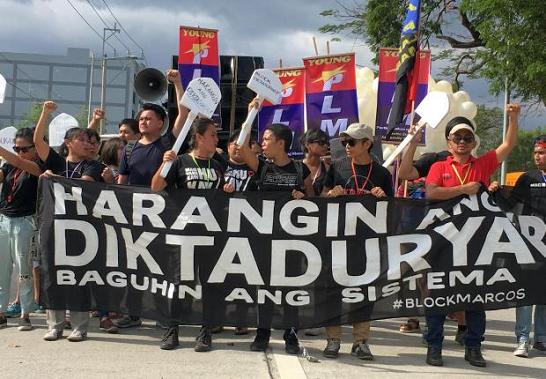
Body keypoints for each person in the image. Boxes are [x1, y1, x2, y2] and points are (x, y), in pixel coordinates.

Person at [424, 103, 520, 367]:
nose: (463, 142)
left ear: (474, 141)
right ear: (449, 142)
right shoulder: (438, 166)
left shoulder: (483, 163)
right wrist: (464, 189)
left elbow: (508, 145)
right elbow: (431, 193)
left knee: (476, 296)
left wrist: (513, 118)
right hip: (443, 240)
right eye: (458, 138)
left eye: (468, 137)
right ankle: (434, 346)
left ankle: (474, 347)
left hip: (476, 241)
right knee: (438, 294)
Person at [115, 69, 187, 330]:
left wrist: (177, 83)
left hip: (162, 213)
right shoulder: (129, 148)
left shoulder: (169, 143)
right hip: (133, 215)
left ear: (160, 123)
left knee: (161, 267)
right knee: (133, 266)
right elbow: (121, 182)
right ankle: (132, 313)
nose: (143, 122)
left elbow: (184, 115)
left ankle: (160, 312)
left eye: (149, 118)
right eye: (141, 118)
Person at [151, 117, 229, 352]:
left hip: (211, 234)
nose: (217, 139)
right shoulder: (181, 161)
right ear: (199, 137)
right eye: (213, 135)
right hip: (182, 233)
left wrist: (227, 191)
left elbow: (222, 197)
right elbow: (155, 187)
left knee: (210, 284)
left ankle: (205, 333)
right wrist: (164, 165)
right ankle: (171, 329)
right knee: (178, 282)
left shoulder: (218, 165)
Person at [321, 123, 393, 360]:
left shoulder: (382, 173)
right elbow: (321, 197)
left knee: (364, 292)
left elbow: (392, 209)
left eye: (351, 142)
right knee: (333, 290)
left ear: (367, 144)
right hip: (338, 238)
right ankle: (333, 340)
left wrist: (383, 199)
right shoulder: (338, 166)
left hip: (366, 241)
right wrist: (331, 195)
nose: (347, 146)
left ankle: (361, 341)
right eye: (344, 142)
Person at [34, 101, 103, 342]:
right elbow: (38, 143)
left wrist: (54, 180)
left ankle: (79, 325)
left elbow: (83, 183)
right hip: (52, 226)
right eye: (82, 139)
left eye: (89, 140)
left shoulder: (93, 165)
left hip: (80, 229)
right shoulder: (55, 162)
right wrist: (45, 113)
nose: (88, 144)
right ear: (68, 143)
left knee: (78, 276)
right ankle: (54, 324)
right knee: (52, 274)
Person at [245, 121, 313, 354]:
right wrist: (252, 112)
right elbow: (243, 148)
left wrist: (302, 197)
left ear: (281, 143)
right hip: (265, 239)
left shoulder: (300, 169)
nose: (262, 143)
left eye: (266, 139)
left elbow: (313, 202)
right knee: (264, 289)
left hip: (293, 241)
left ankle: (290, 336)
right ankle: (262, 333)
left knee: (289, 290)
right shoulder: (262, 167)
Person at [0, 128, 42, 331]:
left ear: (36, 148)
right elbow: (7, 170)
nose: (19, 153)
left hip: (25, 221)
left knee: (24, 269)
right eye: (16, 148)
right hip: (4, 219)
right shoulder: (8, 165)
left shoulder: (38, 166)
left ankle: (26, 313)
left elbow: (20, 163)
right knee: (2, 268)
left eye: (24, 149)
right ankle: (1, 312)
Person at [510, 135, 546, 358]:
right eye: (535, 153)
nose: (537, 157)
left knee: (544, 294)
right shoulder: (526, 178)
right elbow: (511, 205)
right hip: (529, 246)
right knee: (524, 295)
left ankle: (541, 338)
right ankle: (522, 338)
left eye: (541, 152)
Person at [301, 128, 330, 196]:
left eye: (327, 143)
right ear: (307, 144)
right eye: (321, 142)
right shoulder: (297, 167)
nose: (325, 146)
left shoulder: (328, 169)